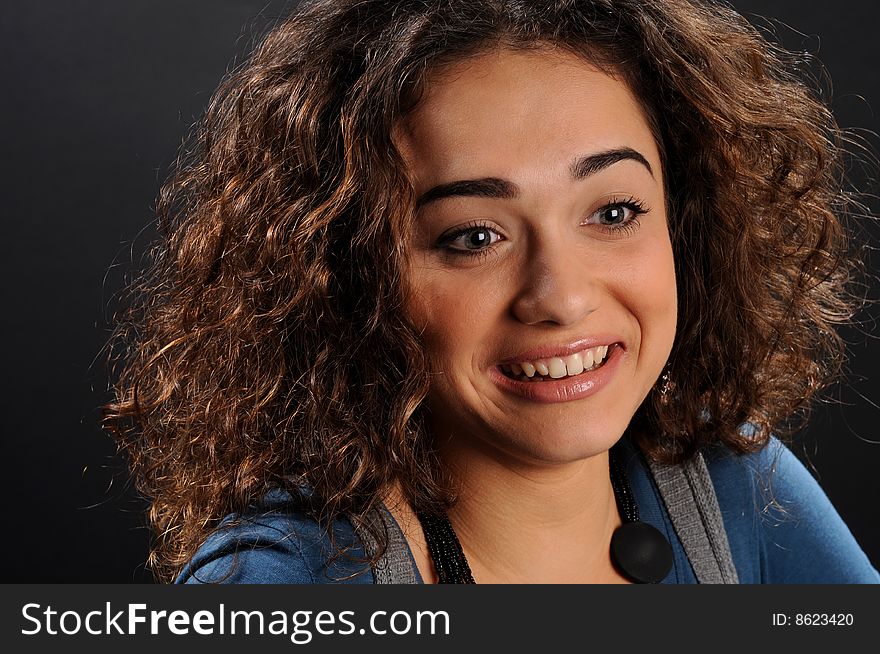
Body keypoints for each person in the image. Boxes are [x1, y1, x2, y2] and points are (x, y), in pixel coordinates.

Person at [103, 0, 879, 584]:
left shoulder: (728, 473)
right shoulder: (280, 583)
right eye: (473, 236)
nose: (561, 297)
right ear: (346, 276)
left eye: (614, 212)